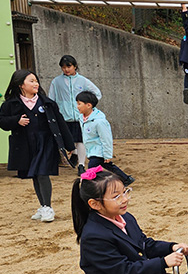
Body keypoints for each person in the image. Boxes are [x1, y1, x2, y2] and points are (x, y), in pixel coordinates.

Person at [0, 70, 74, 222]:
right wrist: (16, 121)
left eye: (36, 81)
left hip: (46, 143)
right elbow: (2, 122)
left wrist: (69, 145)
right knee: (34, 174)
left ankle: (47, 207)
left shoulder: (47, 103)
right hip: (25, 145)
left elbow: (60, 123)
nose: (36, 84)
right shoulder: (10, 104)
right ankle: (43, 206)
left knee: (42, 173)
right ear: (21, 85)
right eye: (31, 81)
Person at [48, 55, 101, 172]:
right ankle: (75, 154)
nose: (66, 69)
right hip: (63, 117)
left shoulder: (83, 81)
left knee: (81, 140)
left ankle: (81, 165)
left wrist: (88, 107)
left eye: (69, 66)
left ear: (75, 66)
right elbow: (51, 99)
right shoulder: (56, 82)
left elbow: (97, 93)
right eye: (63, 67)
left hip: (79, 117)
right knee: (69, 141)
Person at [76, 91, 134, 186]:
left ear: (89, 105)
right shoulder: (81, 118)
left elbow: (106, 138)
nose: (77, 106)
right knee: (109, 166)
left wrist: (107, 154)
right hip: (92, 150)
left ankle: (87, 185)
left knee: (91, 168)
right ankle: (126, 178)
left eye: (79, 104)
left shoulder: (99, 122)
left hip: (99, 151)